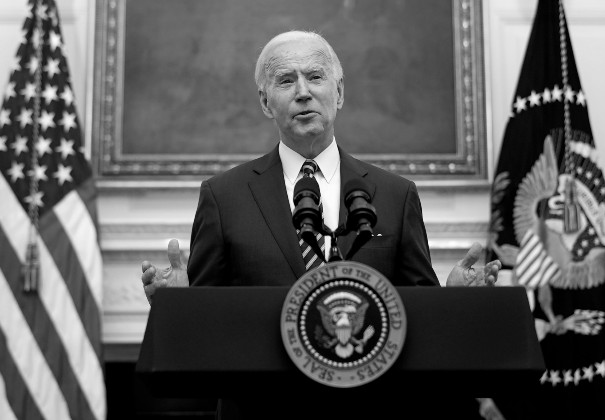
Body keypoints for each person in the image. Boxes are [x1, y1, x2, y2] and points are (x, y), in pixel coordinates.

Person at [141, 30, 501, 420]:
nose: (302, 92)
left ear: (339, 93)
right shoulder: (224, 197)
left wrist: (456, 302)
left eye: (315, 77)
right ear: (265, 102)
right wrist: (176, 307)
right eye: (285, 80)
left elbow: (417, 327)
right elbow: (204, 340)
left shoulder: (395, 195)